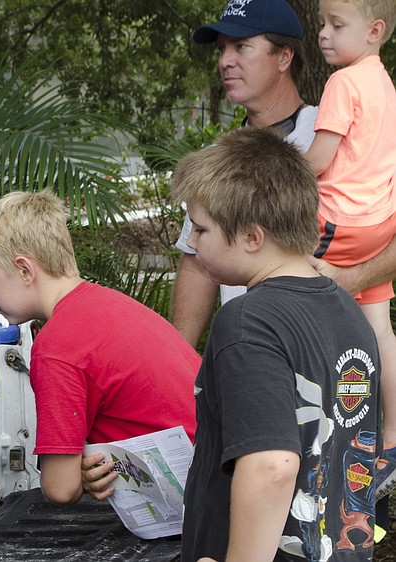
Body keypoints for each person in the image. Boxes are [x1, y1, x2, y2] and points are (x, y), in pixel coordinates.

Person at [178, 127, 380, 561]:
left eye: (200, 229)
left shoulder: (247, 322)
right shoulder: (349, 312)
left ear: (252, 237)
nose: (192, 244)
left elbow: (272, 464)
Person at [0, 190, 199, 505]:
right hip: (215, 471)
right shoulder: (109, 303)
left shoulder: (57, 346)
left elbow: (60, 489)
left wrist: (78, 480)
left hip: (190, 499)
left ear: (24, 270)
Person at [171, 0, 319, 348]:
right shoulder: (214, 162)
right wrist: (176, 360)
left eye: (242, 46)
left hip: (327, 357)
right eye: (222, 49)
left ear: (284, 57)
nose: (225, 61)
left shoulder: (331, 137)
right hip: (248, 355)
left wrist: (351, 278)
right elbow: (195, 264)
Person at [305, 0, 396, 501]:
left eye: (336, 25)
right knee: (380, 327)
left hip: (335, 224)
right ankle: (393, 441)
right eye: (322, 22)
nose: (323, 34)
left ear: (374, 31)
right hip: (379, 225)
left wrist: (276, 169)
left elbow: (319, 159)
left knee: (291, 289)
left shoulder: (343, 83)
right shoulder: (384, 82)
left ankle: (328, 437)